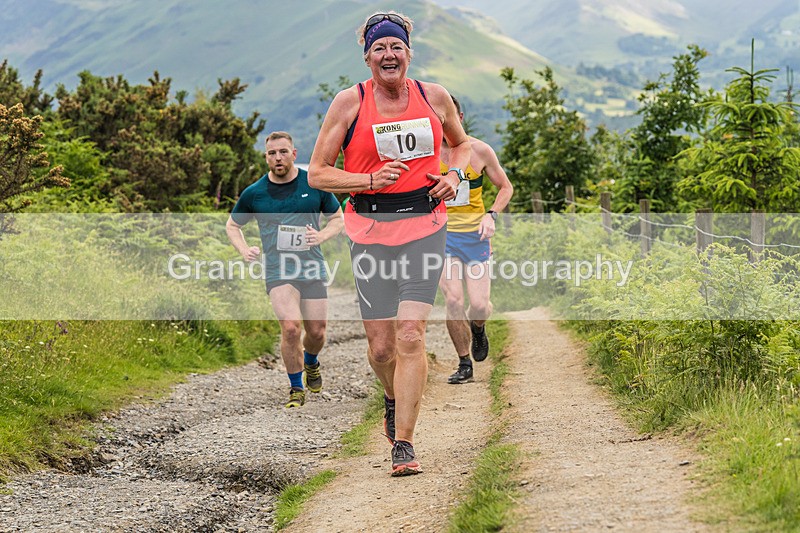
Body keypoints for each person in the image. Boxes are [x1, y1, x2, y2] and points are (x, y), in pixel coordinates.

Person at [309, 11, 470, 476]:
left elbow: (461, 146)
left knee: (410, 334)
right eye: (379, 48)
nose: (389, 55)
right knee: (381, 348)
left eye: (396, 46)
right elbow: (319, 172)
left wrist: (454, 175)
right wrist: (370, 180)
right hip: (369, 230)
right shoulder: (349, 102)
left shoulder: (433, 96)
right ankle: (392, 395)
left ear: (408, 53)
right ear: (367, 58)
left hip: (425, 224)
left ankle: (405, 443)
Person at [227, 131, 343, 408]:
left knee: (317, 333)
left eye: (282, 152)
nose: (277, 158)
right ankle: (295, 388)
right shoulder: (254, 193)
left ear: (294, 153)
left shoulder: (313, 183)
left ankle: (311, 361)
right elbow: (233, 225)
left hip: (312, 265)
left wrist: (321, 236)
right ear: (266, 157)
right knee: (291, 328)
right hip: (278, 269)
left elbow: (337, 219)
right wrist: (244, 249)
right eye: (271, 153)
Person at [439, 96, 513, 384]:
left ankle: (478, 328)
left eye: (450, 117)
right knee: (454, 299)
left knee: (480, 305)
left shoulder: (480, 150)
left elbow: (505, 187)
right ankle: (463, 363)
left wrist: (491, 215)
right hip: (443, 238)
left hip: (476, 236)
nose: (445, 124)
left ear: (459, 116)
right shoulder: (427, 155)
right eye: (439, 119)